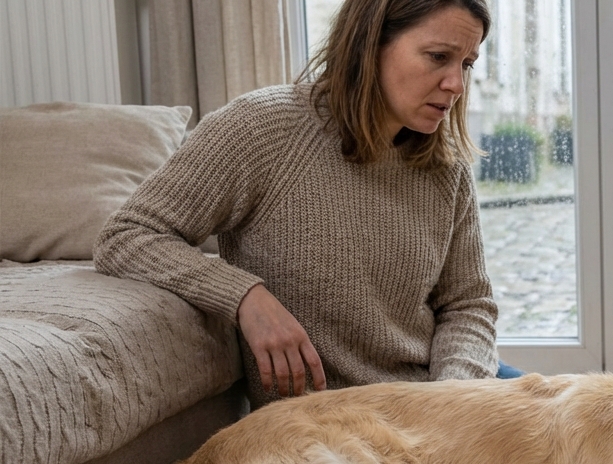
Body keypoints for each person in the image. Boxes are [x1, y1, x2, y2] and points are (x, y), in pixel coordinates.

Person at [95, 0, 520, 410]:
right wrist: (246, 297)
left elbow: (467, 304)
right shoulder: (261, 128)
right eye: (438, 57)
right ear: (369, 44)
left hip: (440, 398)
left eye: (466, 64)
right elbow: (128, 235)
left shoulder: (447, 168)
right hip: (331, 421)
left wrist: (454, 399)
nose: (456, 85)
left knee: (582, 431)